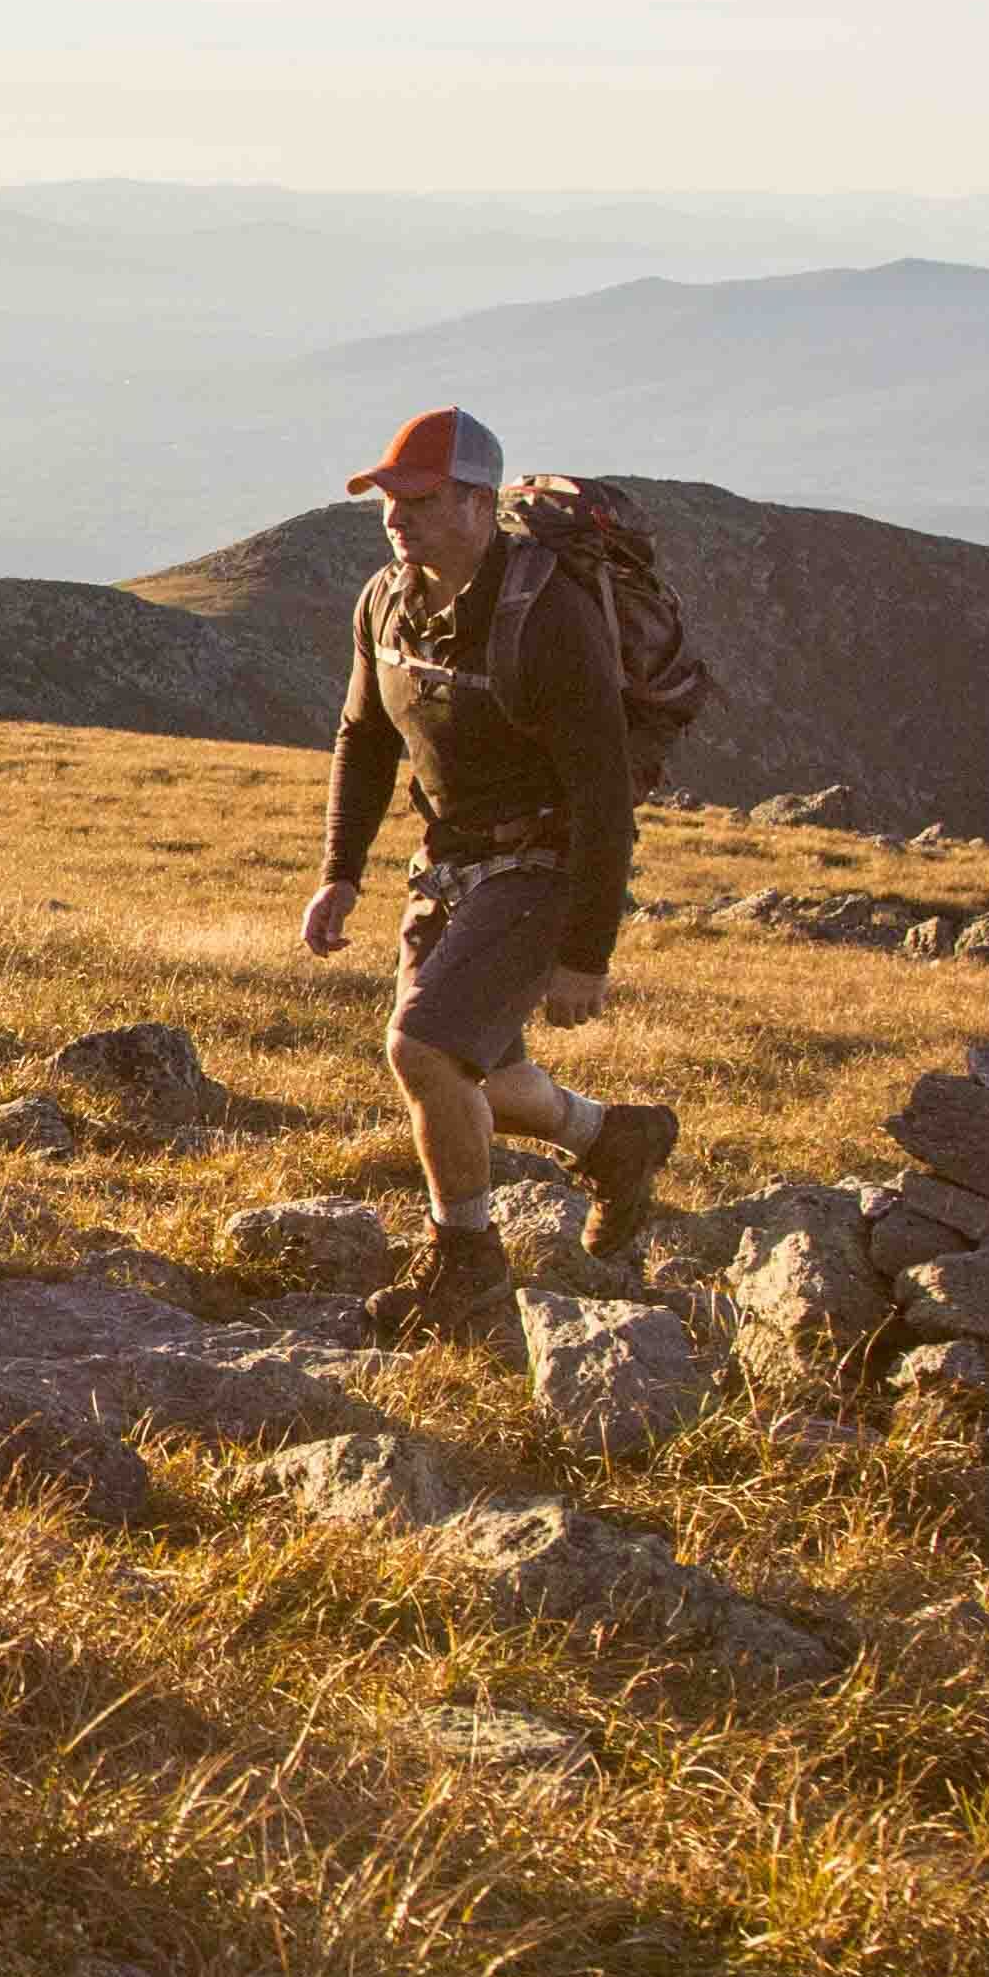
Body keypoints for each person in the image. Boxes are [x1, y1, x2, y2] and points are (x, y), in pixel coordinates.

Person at [297, 404, 678, 1343]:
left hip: (545, 857)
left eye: (419, 500)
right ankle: (613, 1140)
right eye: (387, 499)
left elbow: (602, 795)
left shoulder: (547, 617)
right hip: (452, 857)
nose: (396, 517)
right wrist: (341, 871)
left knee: (423, 1050)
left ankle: (464, 1267)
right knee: (486, 1078)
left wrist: (586, 952)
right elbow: (365, 737)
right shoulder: (386, 600)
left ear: (478, 503)